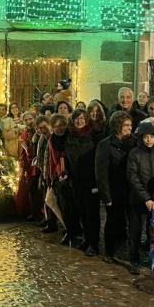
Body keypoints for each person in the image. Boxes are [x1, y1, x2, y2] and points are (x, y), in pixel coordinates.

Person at [96, 111, 134, 263]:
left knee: (131, 223)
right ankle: (109, 252)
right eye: (126, 125)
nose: (129, 128)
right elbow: (101, 171)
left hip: (130, 190)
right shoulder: (105, 144)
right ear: (117, 126)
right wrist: (106, 195)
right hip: (114, 190)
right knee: (112, 221)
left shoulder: (133, 142)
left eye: (130, 125)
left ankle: (127, 251)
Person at [126, 121, 154, 274]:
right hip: (137, 199)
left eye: (152, 137)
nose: (149, 140)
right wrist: (145, 198)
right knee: (135, 231)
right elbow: (133, 178)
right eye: (146, 137)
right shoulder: (134, 153)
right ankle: (134, 258)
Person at [67, 108, 101, 256]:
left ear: (86, 119)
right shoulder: (70, 135)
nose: (79, 121)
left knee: (92, 213)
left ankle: (94, 244)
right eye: (77, 118)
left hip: (91, 181)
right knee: (82, 212)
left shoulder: (94, 134)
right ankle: (87, 239)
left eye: (82, 118)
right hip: (76, 180)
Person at [48, 113, 81, 245]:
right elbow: (52, 159)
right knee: (64, 206)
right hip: (59, 176)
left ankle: (75, 232)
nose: (59, 128)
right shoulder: (52, 139)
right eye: (55, 126)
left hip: (72, 175)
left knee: (73, 206)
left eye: (61, 125)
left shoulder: (71, 137)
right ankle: (69, 230)